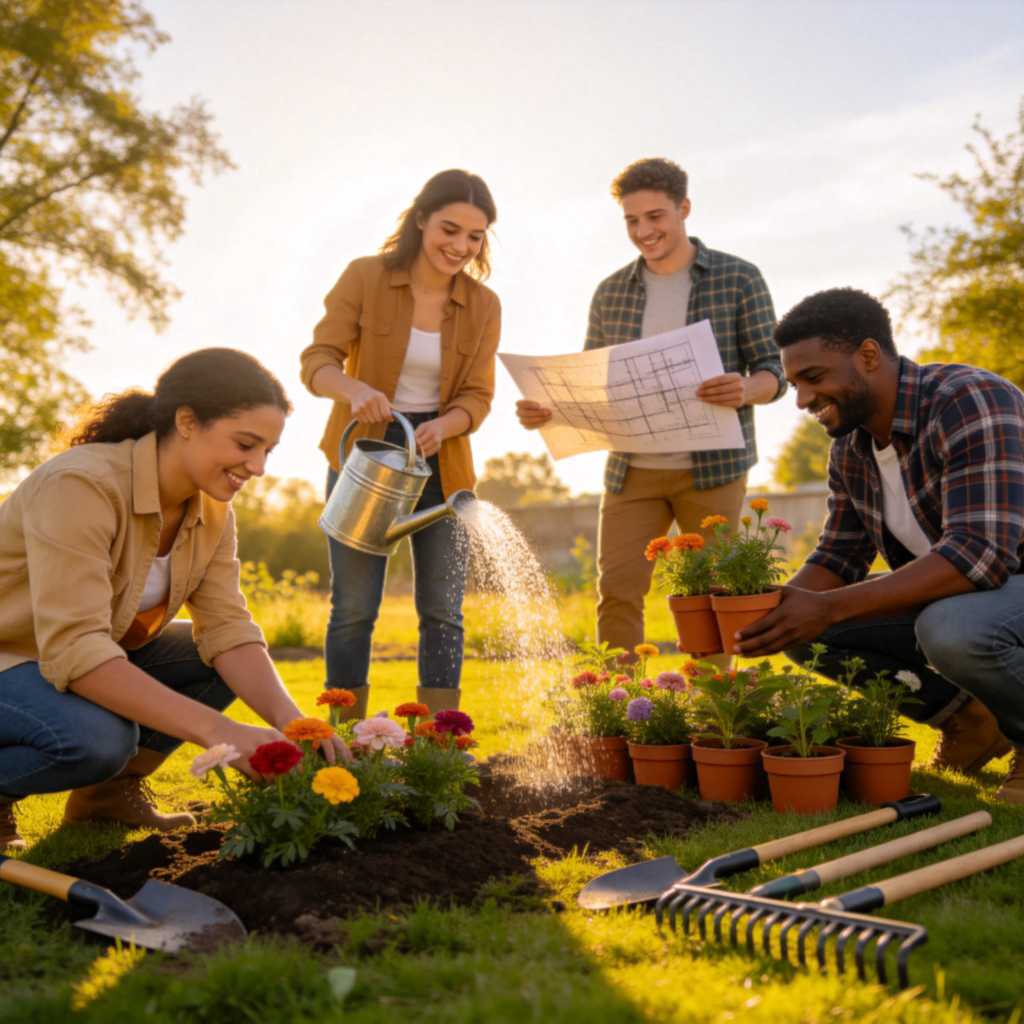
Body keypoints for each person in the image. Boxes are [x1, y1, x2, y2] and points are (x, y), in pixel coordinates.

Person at [0, 348, 348, 850]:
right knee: (95, 741)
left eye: (267, 451)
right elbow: (76, 647)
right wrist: (221, 732)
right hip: (12, 660)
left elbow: (228, 630)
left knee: (205, 658)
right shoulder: (80, 485)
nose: (257, 467)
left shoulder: (211, 510)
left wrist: (296, 724)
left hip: (55, 660)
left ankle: (105, 801)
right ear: (187, 421)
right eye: (246, 444)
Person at [735, 287, 1024, 804]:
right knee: (805, 629)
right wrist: (768, 616)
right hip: (971, 595)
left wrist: (826, 608)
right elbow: (837, 557)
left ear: (868, 356)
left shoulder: (968, 400)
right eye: (796, 382)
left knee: (952, 628)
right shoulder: (851, 447)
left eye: (813, 378)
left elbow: (980, 554)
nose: (800, 400)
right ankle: (971, 722)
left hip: (1007, 586)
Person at [516, 158, 786, 657]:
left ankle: (714, 714)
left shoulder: (738, 278)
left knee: (713, 597)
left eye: (656, 216)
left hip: (713, 470)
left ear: (684, 209)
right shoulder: (611, 292)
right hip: (630, 471)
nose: (644, 231)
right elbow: (592, 383)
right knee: (616, 592)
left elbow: (775, 370)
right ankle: (619, 711)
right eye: (631, 221)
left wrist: (747, 389)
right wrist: (548, 411)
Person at [300, 169, 500, 720]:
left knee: (443, 610)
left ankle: (439, 742)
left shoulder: (484, 305)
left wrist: (449, 424)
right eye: (450, 229)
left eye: (475, 237)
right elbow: (316, 363)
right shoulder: (365, 277)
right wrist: (356, 389)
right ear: (420, 220)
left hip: (443, 458)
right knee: (354, 608)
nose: (460, 246)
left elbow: (480, 396)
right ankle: (344, 734)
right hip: (365, 451)